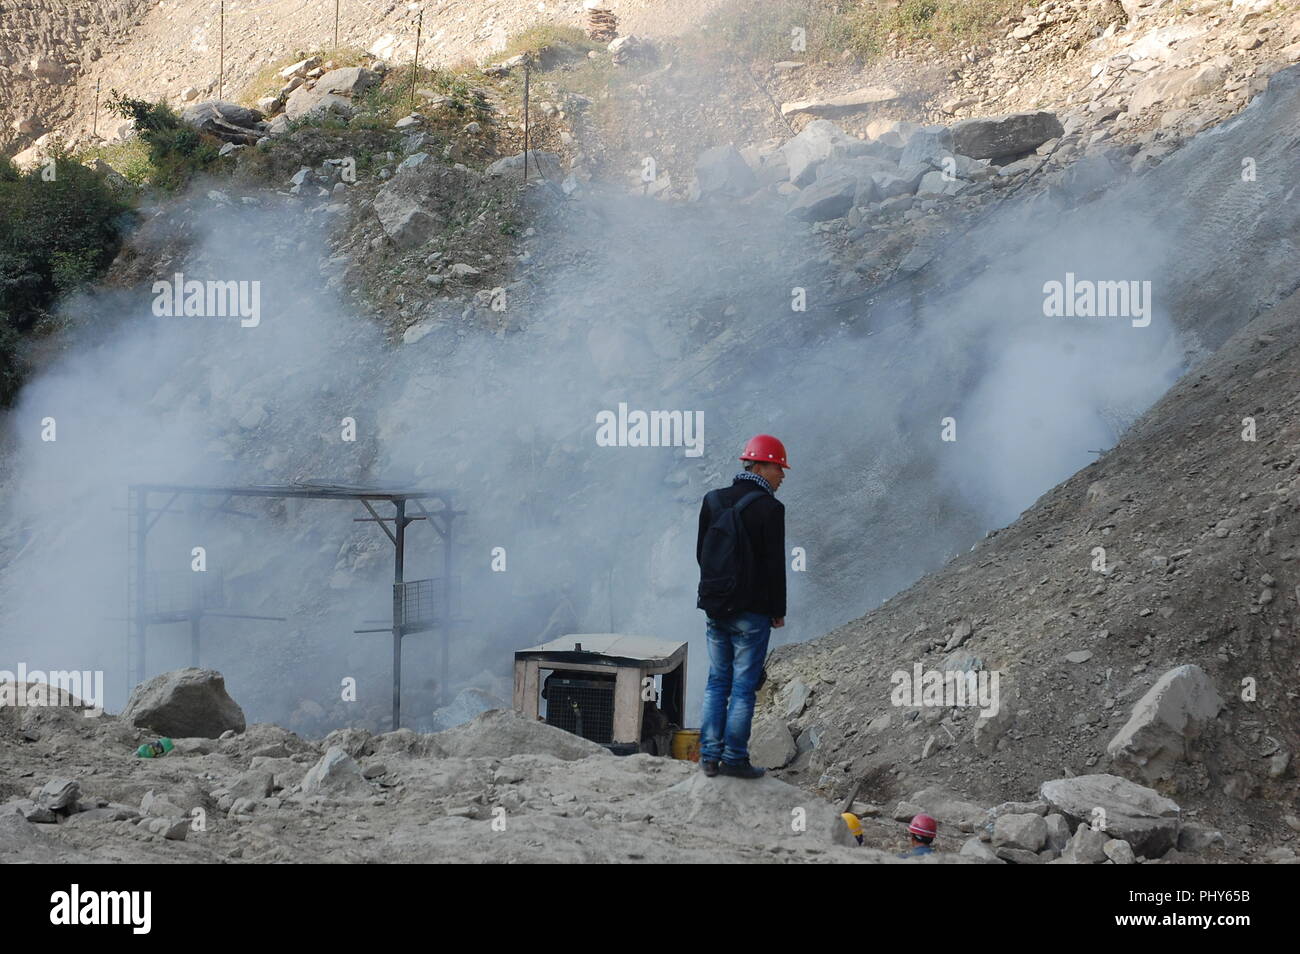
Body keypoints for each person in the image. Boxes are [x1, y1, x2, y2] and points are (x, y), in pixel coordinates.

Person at [695, 434, 788, 780]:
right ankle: (734, 758)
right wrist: (777, 609)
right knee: (743, 688)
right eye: (779, 468)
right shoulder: (770, 509)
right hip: (752, 612)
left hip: (716, 608)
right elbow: (774, 566)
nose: (782, 476)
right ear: (762, 466)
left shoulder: (713, 500)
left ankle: (709, 757)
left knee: (716, 682)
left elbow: (701, 554)